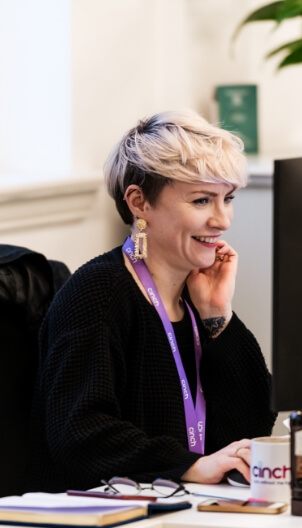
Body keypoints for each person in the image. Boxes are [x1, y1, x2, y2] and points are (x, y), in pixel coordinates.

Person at [26, 109, 277, 493]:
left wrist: (217, 319)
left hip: (184, 505)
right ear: (139, 202)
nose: (222, 219)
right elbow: (80, 434)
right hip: (104, 512)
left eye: (228, 198)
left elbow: (252, 430)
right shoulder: (98, 294)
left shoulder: (192, 293)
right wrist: (187, 465)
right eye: (201, 201)